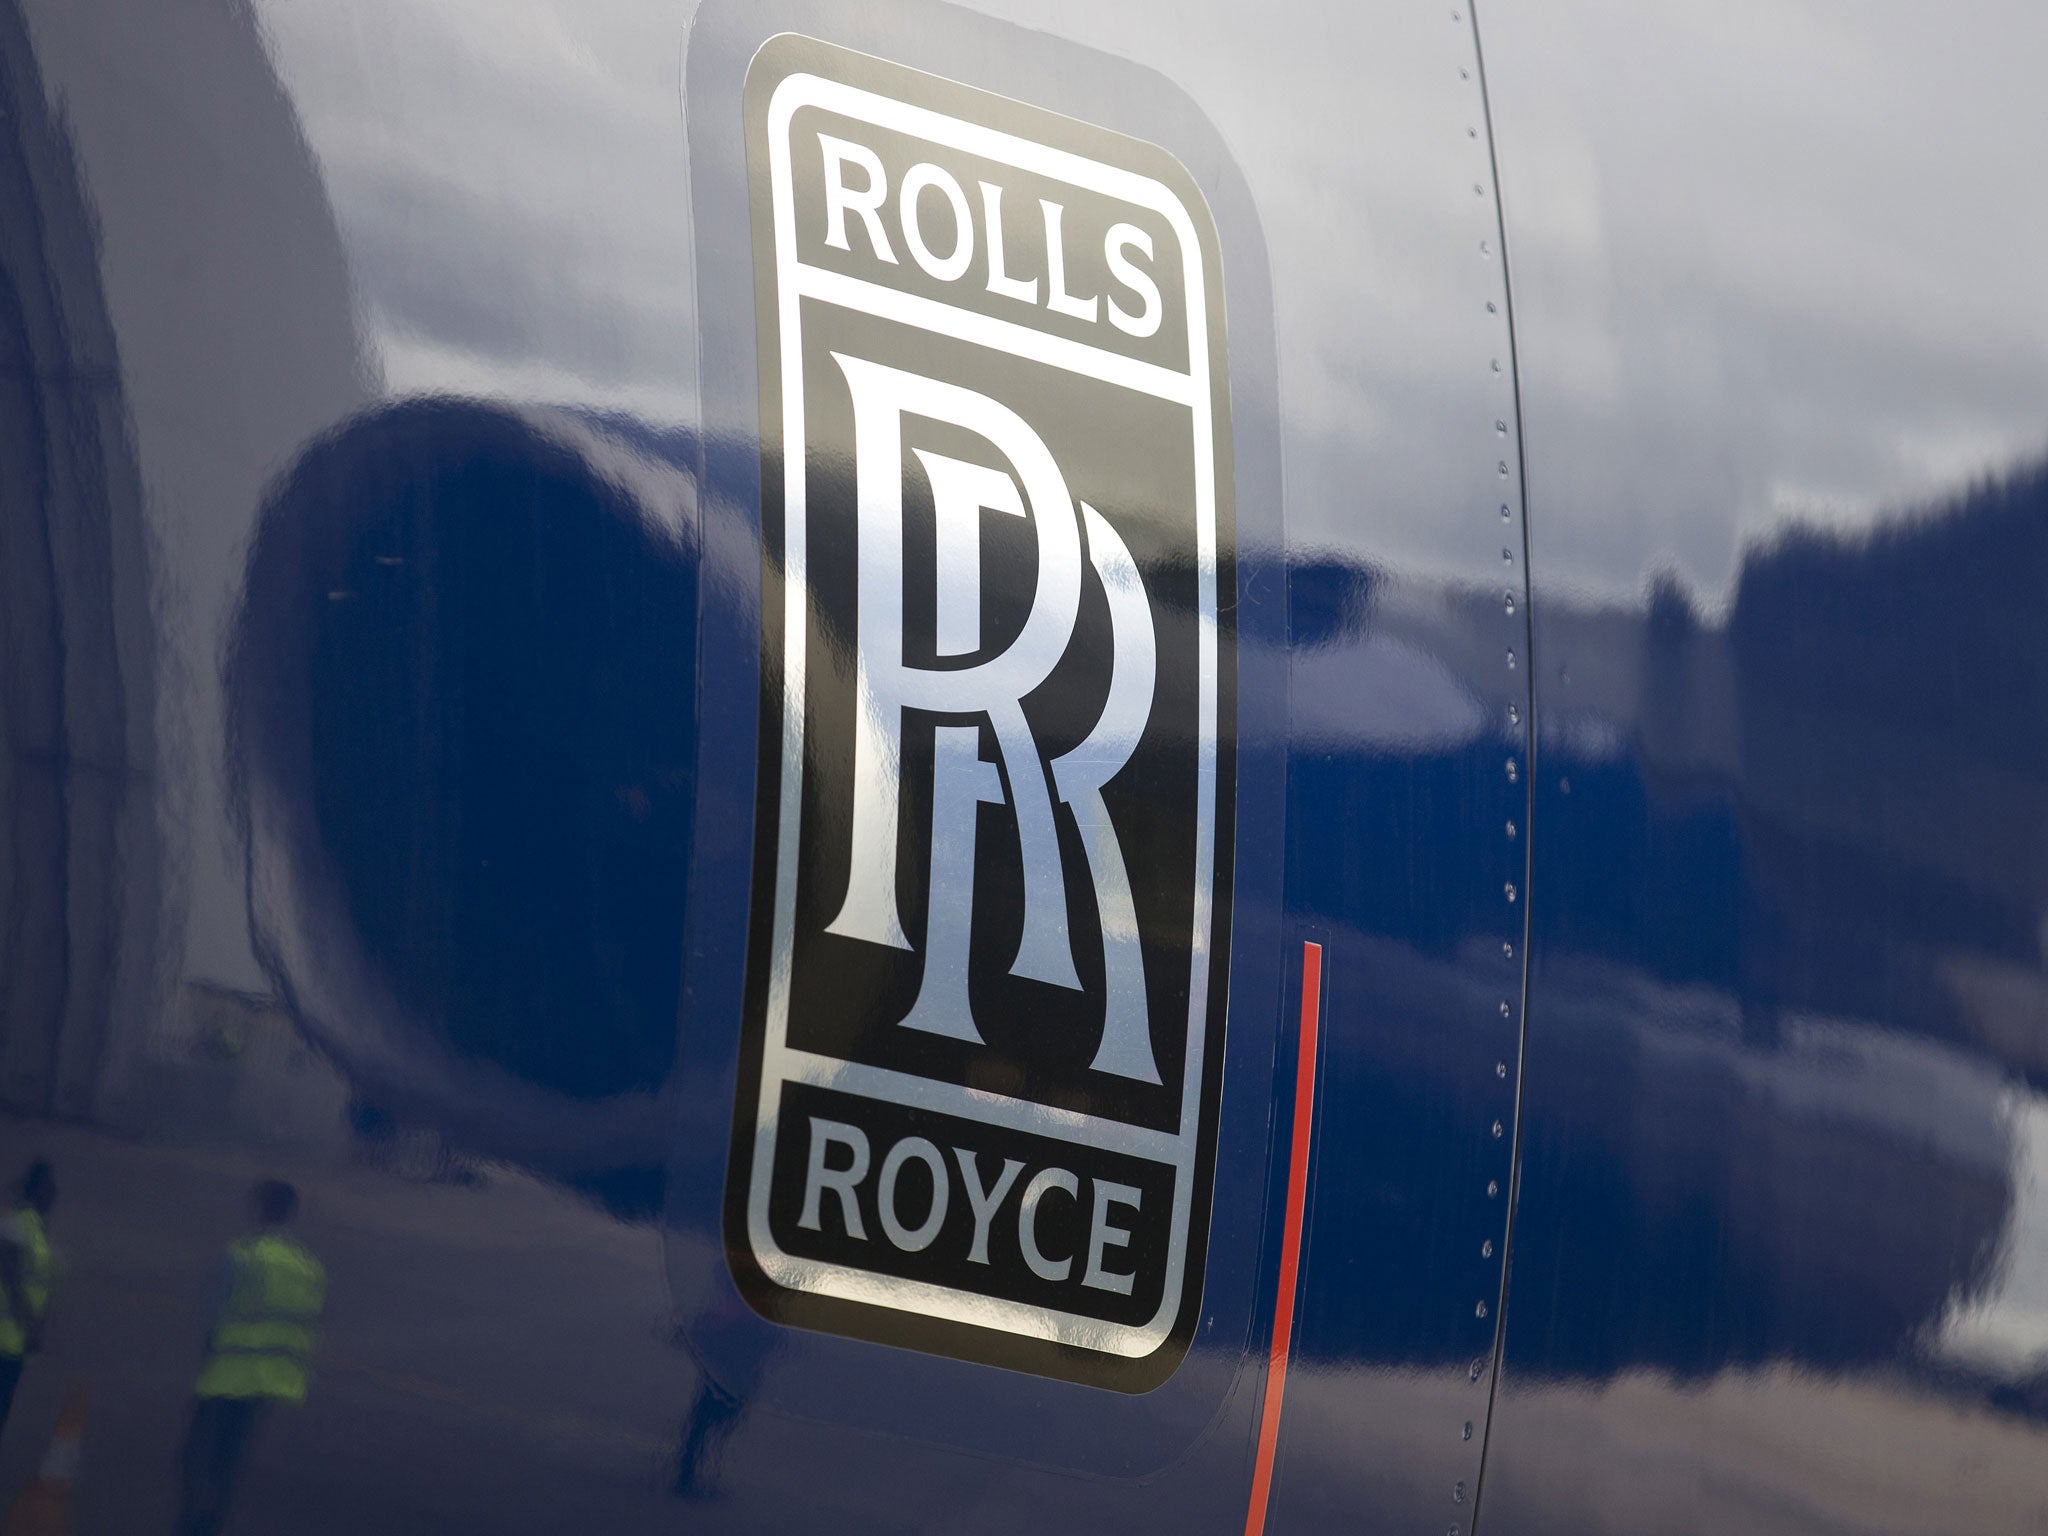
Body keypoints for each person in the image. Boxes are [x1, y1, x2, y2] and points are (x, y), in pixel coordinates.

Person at [173, 1180, 325, 1536]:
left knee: (194, 1459)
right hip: (270, 1380)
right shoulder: (308, 1268)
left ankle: (193, 1525)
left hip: (228, 1373)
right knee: (230, 1461)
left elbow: (215, 1316)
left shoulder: (244, 1255)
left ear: (263, 1208)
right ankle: (210, 1524)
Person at [0, 1160, 56, 1439]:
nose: (54, 1194)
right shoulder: (17, 1222)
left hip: (15, 1343)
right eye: (49, 1187)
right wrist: (30, 1323)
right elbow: (9, 1273)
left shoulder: (35, 1227)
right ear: (37, 1190)